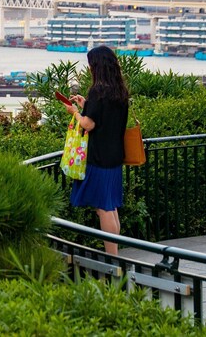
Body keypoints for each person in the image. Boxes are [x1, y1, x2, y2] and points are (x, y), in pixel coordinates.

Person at [61, 45, 129, 255]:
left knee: (103, 207)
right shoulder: (119, 90)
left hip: (99, 156)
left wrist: (74, 112)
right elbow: (104, 117)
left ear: (96, 66)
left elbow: (89, 124)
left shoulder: (98, 90)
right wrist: (85, 105)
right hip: (115, 155)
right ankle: (115, 254)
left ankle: (113, 258)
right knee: (110, 206)